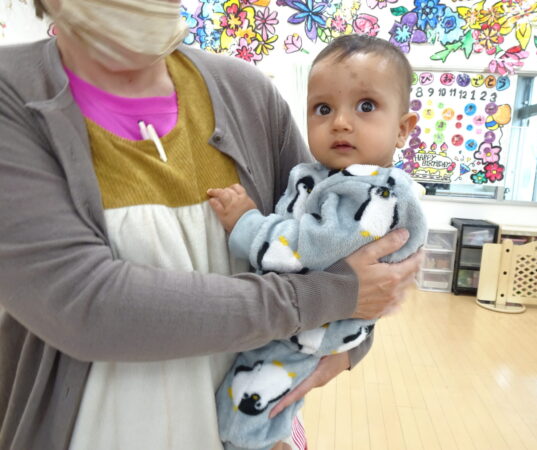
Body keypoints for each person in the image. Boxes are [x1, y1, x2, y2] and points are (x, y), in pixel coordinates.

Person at [0, 1, 423, 449]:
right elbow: (87, 306)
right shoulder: (14, 94)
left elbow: (353, 256)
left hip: (242, 425)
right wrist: (327, 297)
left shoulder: (248, 94)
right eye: (323, 108)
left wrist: (345, 342)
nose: (340, 122)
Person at [208, 35, 425, 450]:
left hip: (311, 327)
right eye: (323, 109)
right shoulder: (329, 175)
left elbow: (308, 251)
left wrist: (246, 223)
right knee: (271, 396)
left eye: (366, 106)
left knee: (244, 411)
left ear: (402, 129)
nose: (340, 122)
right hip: (305, 315)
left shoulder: (372, 191)